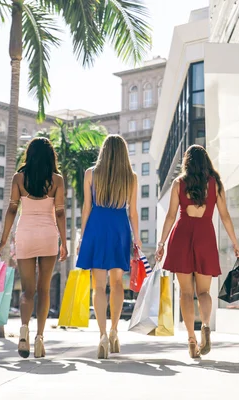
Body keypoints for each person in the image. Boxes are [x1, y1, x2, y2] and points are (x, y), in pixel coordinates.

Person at [156, 145, 239, 359]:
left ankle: (191, 340)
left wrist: (161, 243)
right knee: (204, 292)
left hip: (182, 234)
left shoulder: (179, 183)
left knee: (186, 293)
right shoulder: (215, 184)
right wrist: (235, 242)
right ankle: (205, 325)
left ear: (186, 162)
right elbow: (225, 216)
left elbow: (170, 216)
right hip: (205, 235)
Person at [0, 137, 67, 359]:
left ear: (30, 154)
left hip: (25, 234)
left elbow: (12, 210)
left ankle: (24, 330)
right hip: (47, 235)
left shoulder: (18, 178)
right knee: (44, 290)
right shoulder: (57, 180)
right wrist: (64, 242)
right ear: (50, 156)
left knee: (27, 290)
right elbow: (60, 213)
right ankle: (39, 338)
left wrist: (3, 240)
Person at [77, 135, 140, 359]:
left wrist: (82, 237)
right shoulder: (131, 178)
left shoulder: (90, 174)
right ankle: (114, 331)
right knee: (117, 284)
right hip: (119, 229)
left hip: (96, 227)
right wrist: (137, 240)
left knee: (98, 286)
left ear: (103, 151)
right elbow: (132, 213)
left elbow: (86, 208)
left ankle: (102, 335)